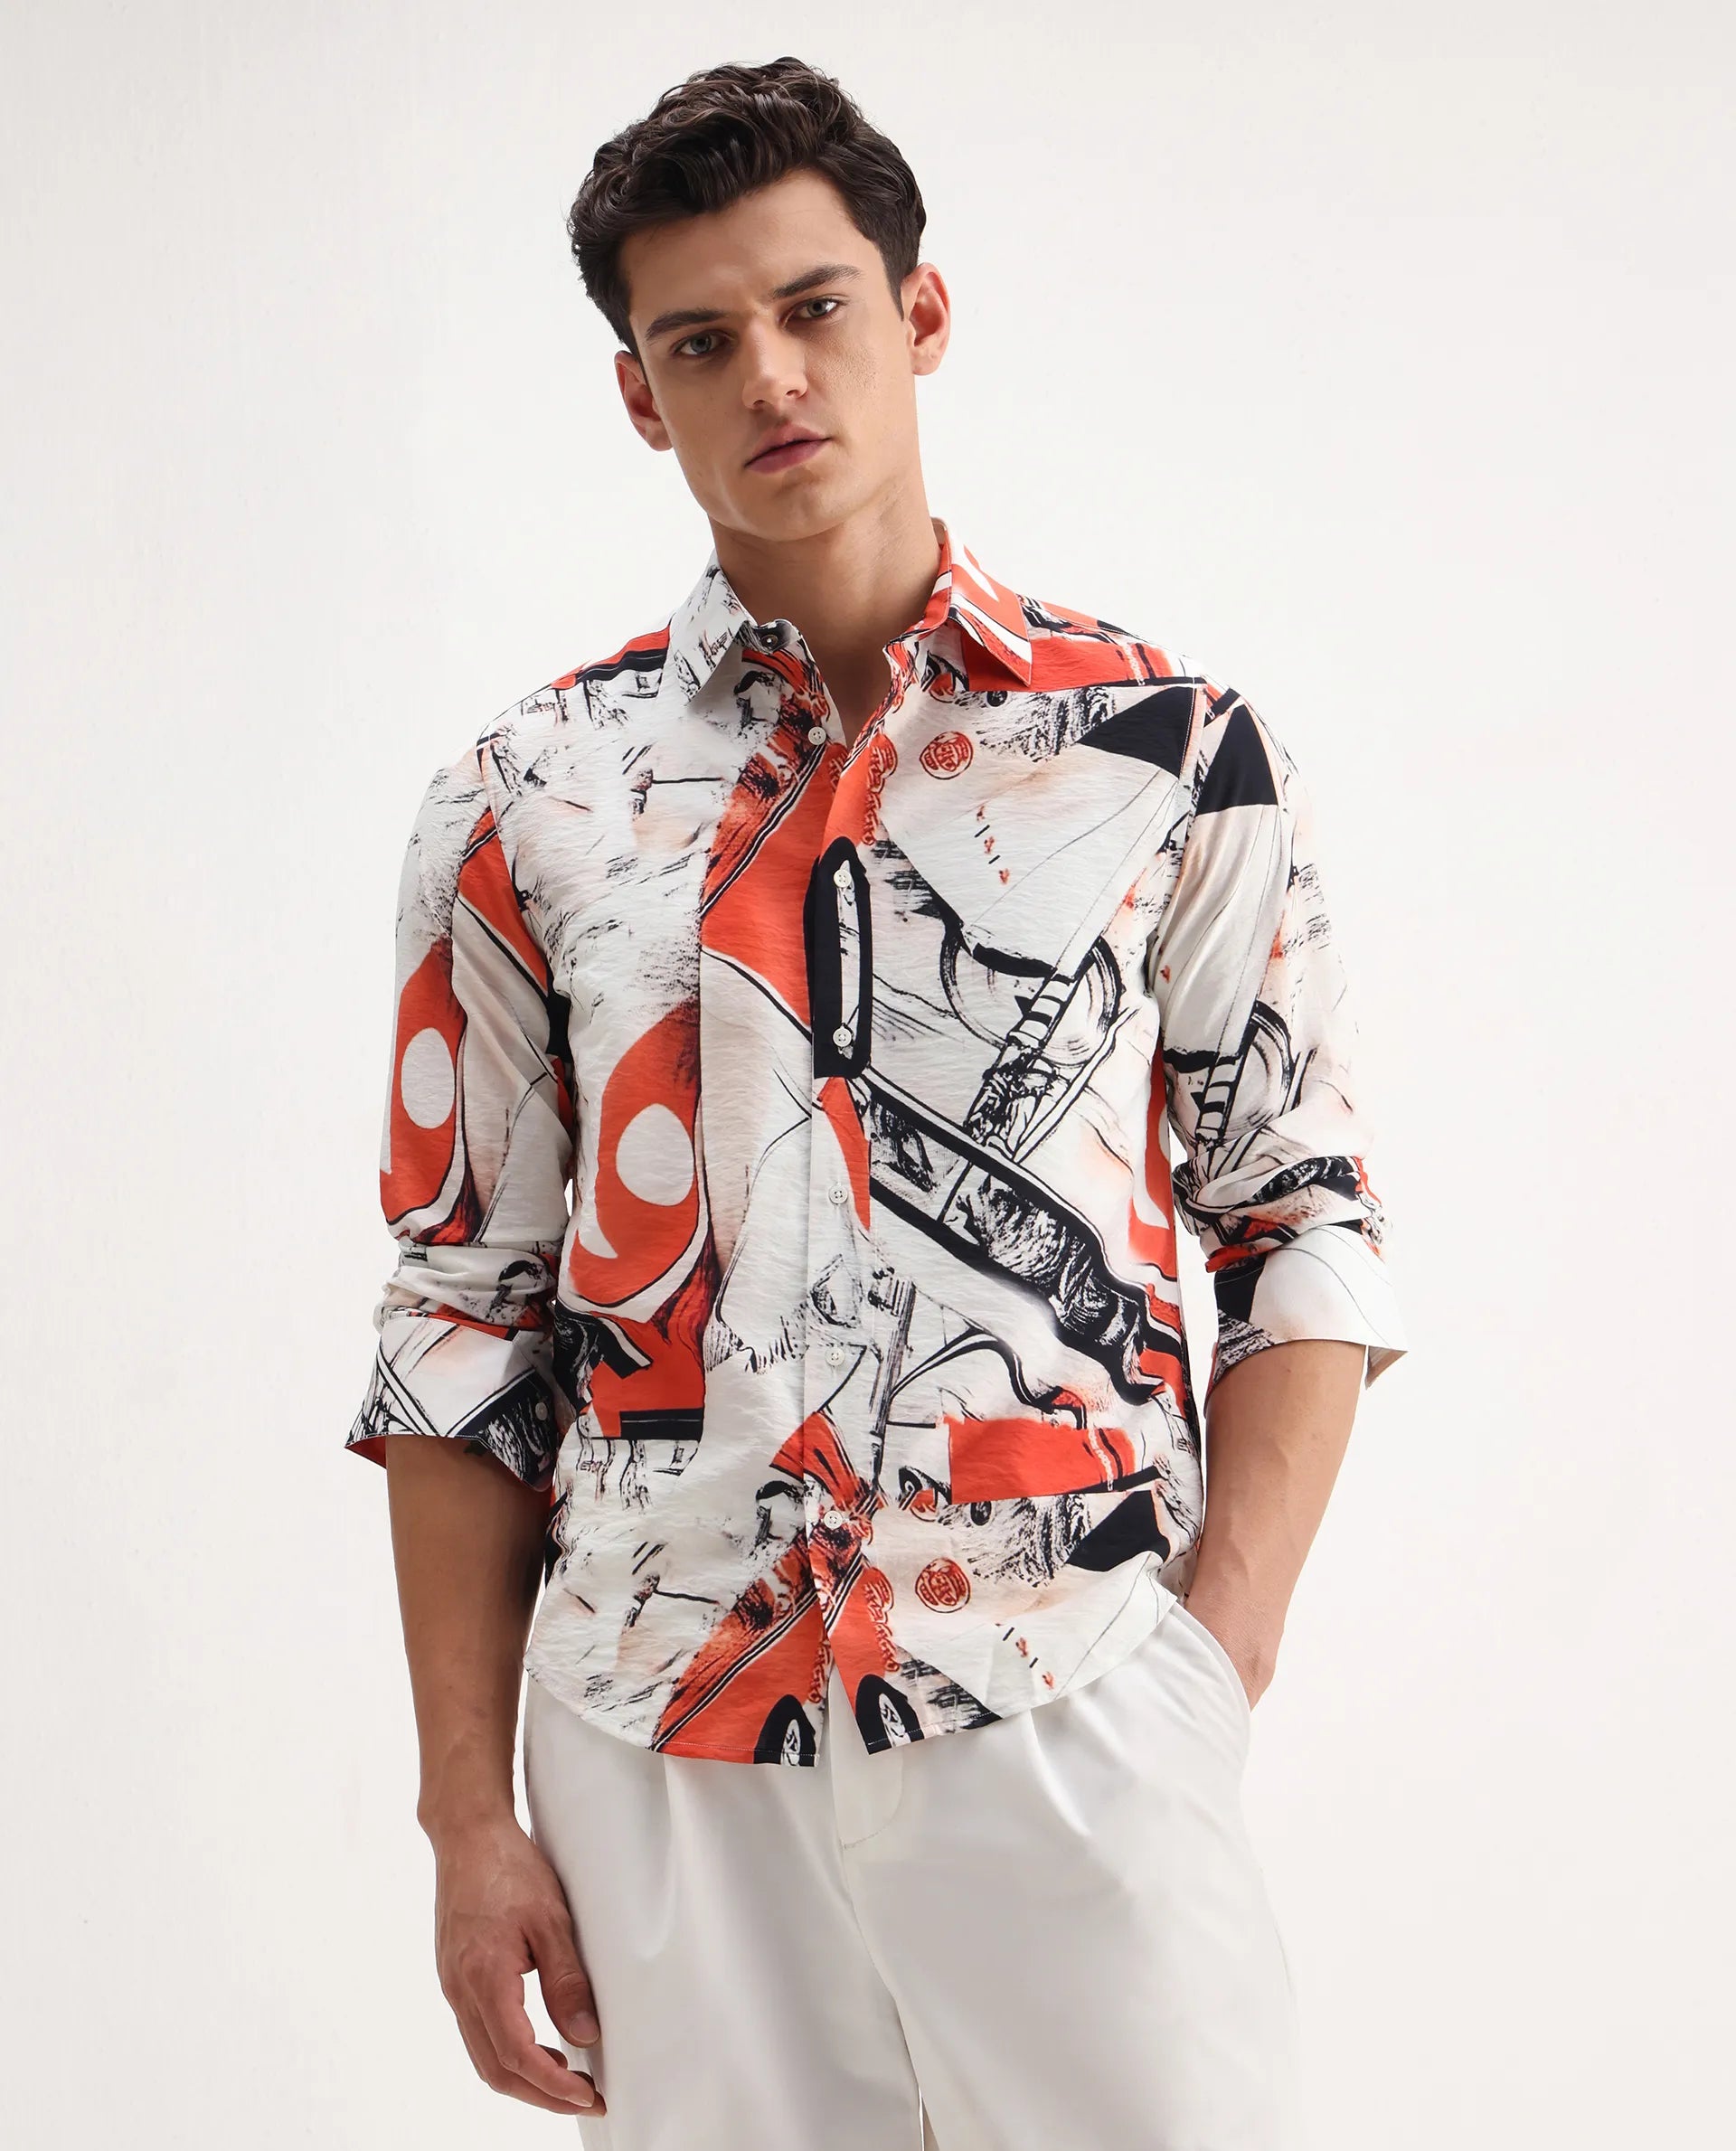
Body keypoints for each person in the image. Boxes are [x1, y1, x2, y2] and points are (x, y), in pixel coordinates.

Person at [344, 52, 1408, 2151]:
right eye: (699, 341)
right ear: (638, 396)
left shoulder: (1165, 753)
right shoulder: (522, 797)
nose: (769, 375)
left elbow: (1302, 1218)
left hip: (1064, 1698)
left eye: (813, 306)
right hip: (659, 1748)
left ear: (919, 313)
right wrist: (469, 1813)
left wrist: (1210, 1663)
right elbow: (463, 1309)